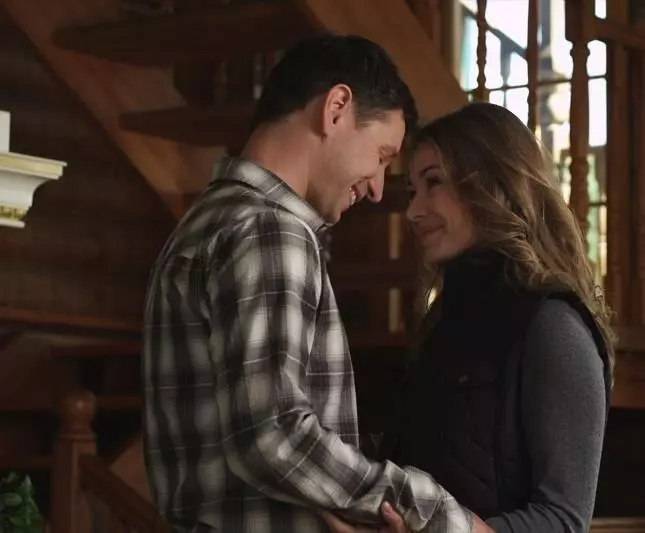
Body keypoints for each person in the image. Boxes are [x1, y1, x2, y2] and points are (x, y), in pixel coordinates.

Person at [142, 34, 492, 533]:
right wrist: (438, 514)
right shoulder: (268, 228)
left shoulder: (204, 222)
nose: (377, 188)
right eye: (382, 155)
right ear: (336, 108)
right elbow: (273, 436)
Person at [336, 102, 612, 533]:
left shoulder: (553, 325)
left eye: (433, 183)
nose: (413, 211)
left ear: (493, 184)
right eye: (412, 191)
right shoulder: (443, 322)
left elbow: (563, 518)